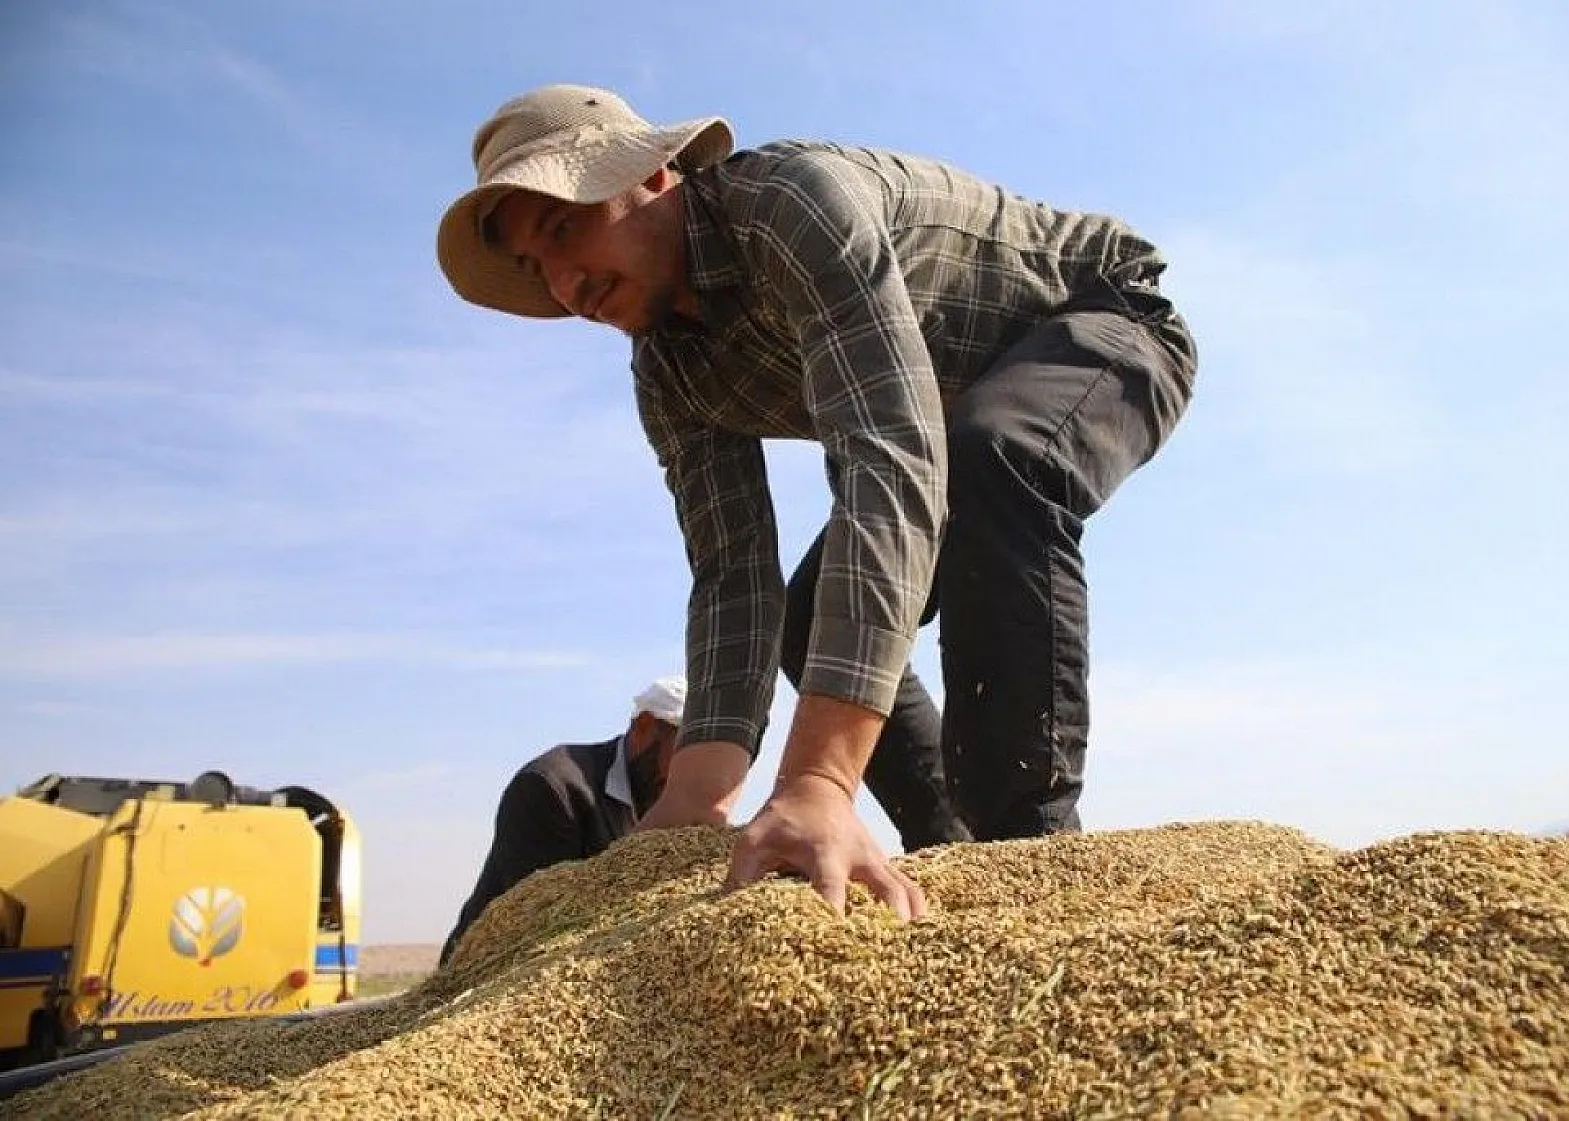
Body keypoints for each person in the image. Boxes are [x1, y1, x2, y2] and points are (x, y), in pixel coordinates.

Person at [435, 84, 1197, 920]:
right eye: (536, 265)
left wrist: (820, 778)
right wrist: (695, 790)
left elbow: (890, 457)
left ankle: (1033, 861)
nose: (565, 281)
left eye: (563, 227)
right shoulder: (668, 371)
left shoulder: (792, 206)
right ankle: (953, 863)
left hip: (1107, 318)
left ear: (652, 176)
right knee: (806, 613)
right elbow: (732, 572)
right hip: (944, 426)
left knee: (993, 462)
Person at [439, 677, 685, 965]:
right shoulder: (553, 787)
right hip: (490, 975)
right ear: (643, 727)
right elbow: (540, 919)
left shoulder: (666, 797)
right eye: (682, 753)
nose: (689, 773)